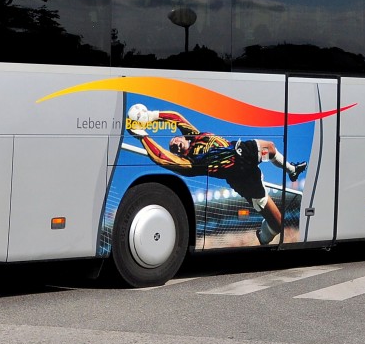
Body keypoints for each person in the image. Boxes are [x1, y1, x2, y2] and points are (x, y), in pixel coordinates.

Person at [126, 105, 306, 245]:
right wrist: (142, 136)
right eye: (174, 149)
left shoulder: (193, 135)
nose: (176, 145)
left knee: (271, 149)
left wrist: (149, 116)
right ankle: (263, 237)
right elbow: (162, 158)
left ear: (180, 137)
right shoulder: (191, 163)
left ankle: (292, 170)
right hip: (243, 179)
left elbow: (175, 117)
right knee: (278, 224)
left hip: (243, 151)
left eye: (175, 142)